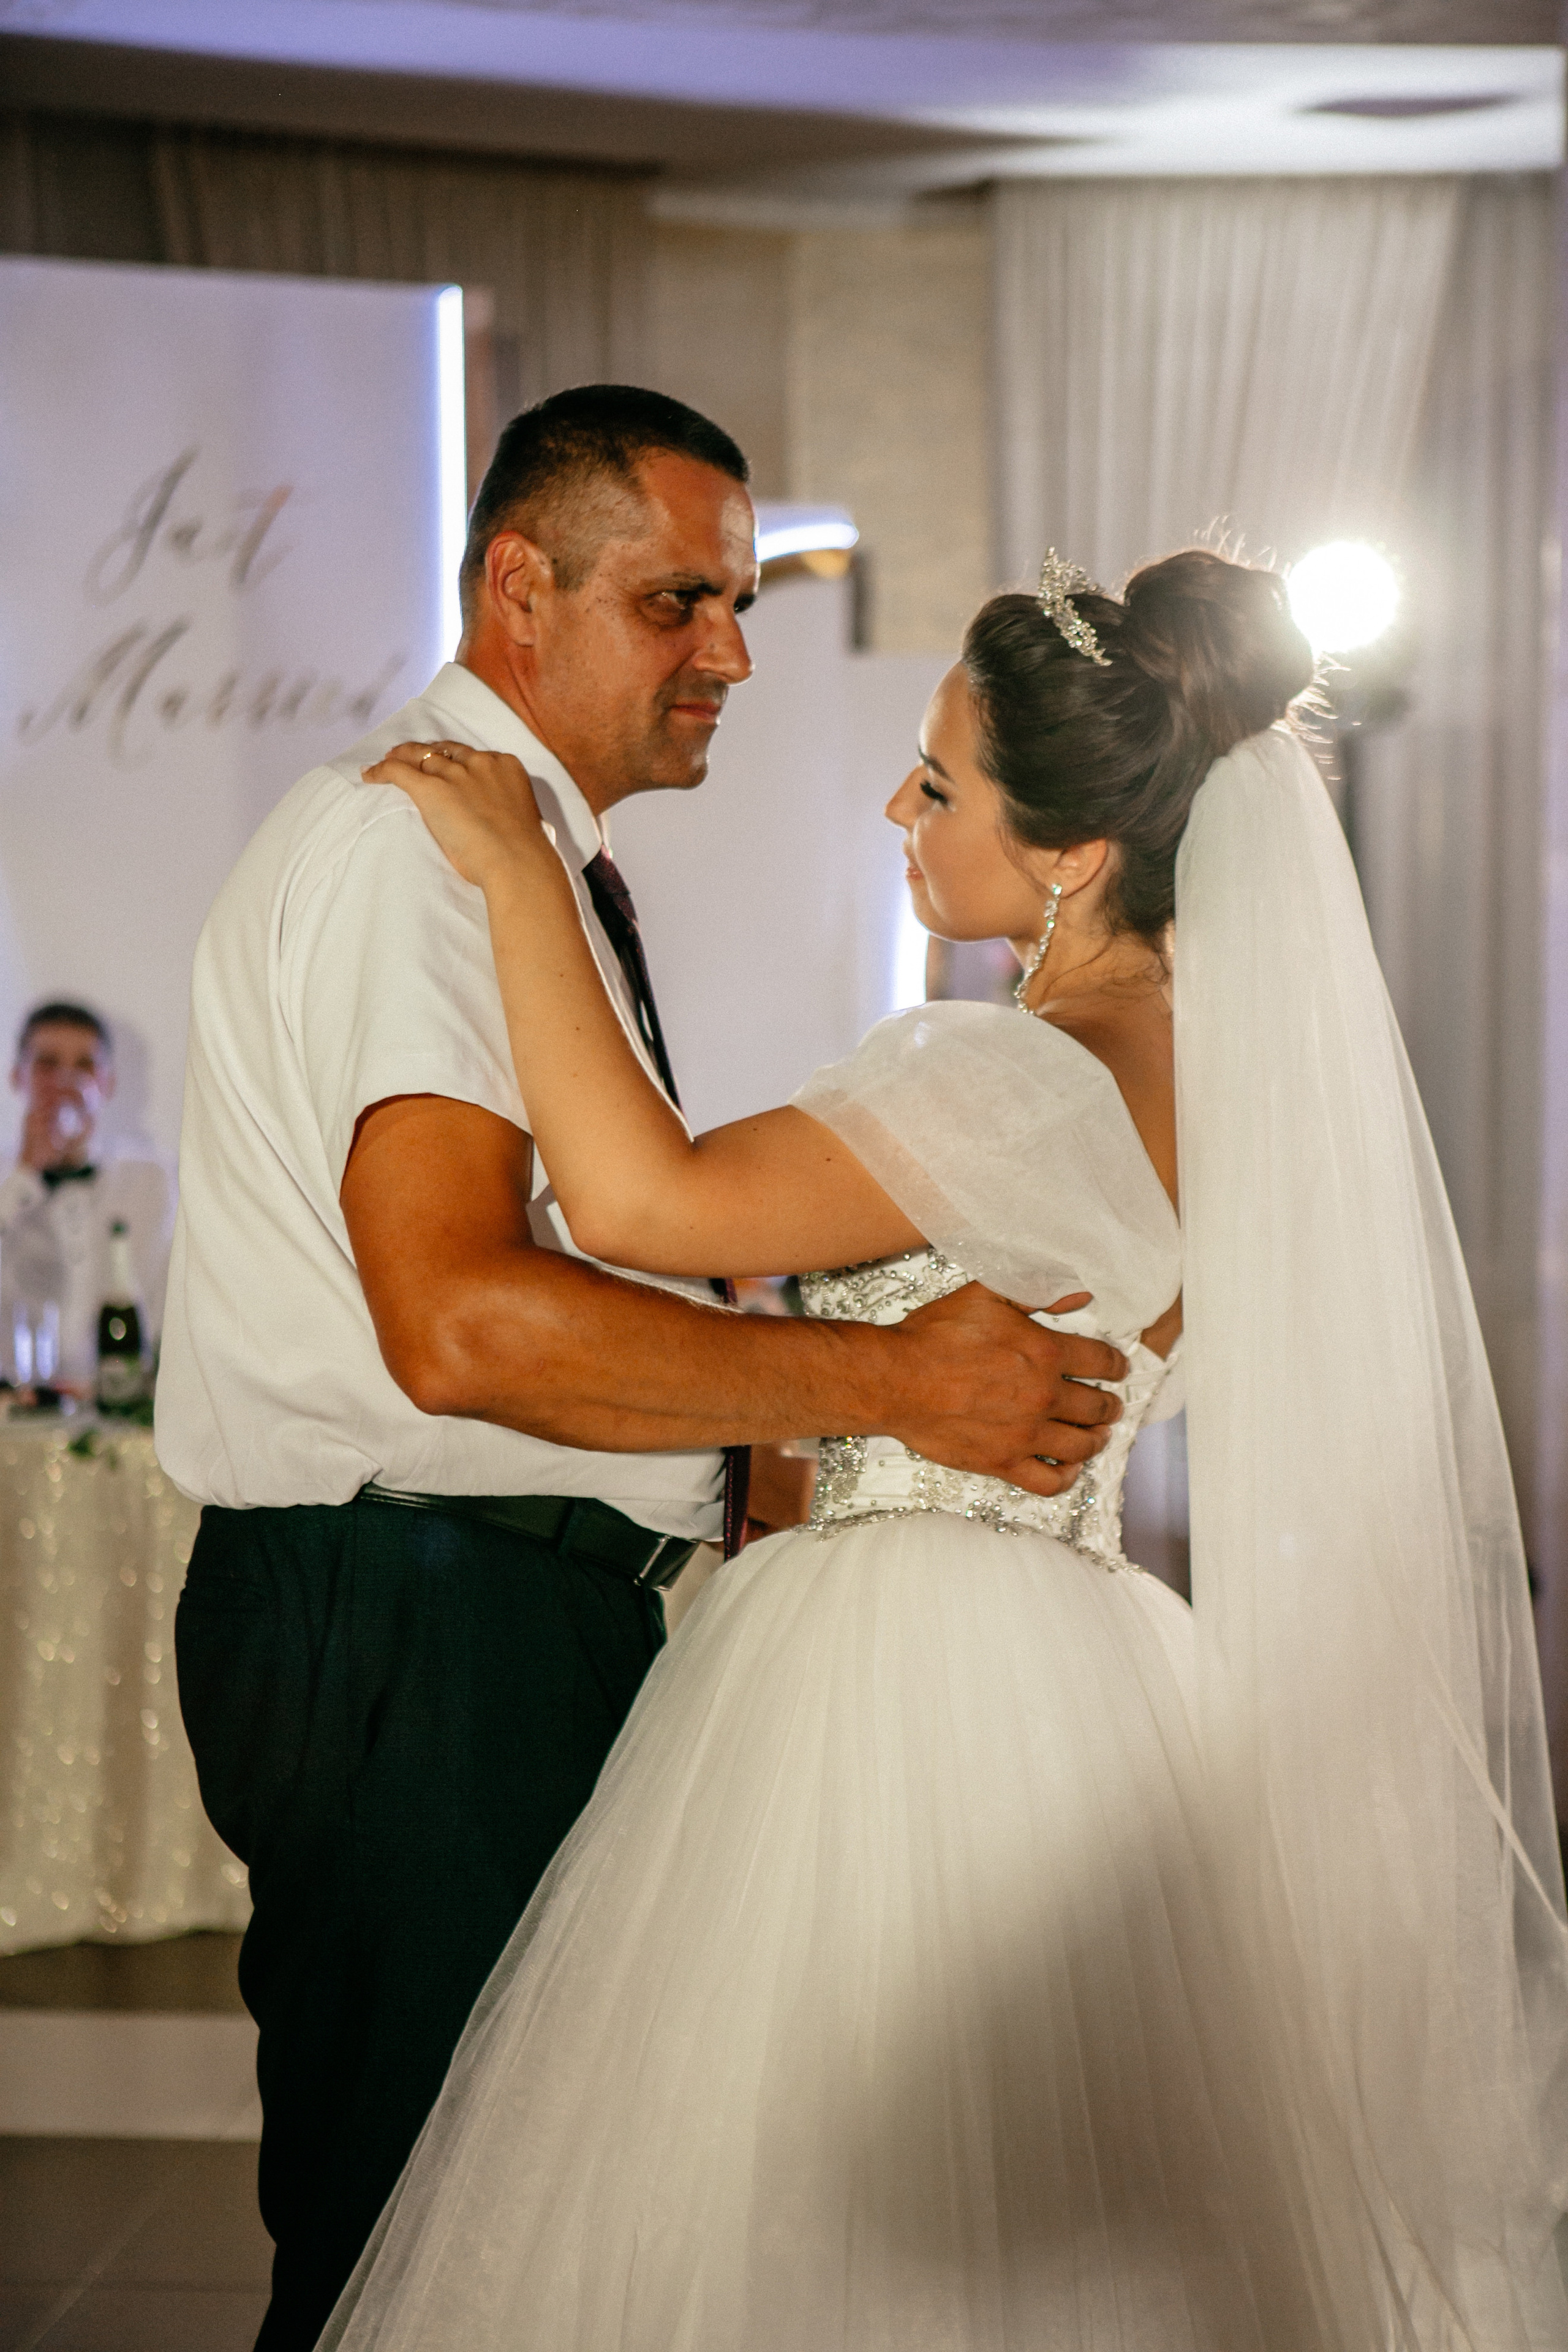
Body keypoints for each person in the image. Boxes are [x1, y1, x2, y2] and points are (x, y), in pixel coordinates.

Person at [323, 548, 1568, 2351]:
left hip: (876, 1660)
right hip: (1087, 1667)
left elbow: (630, 1195)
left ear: (1068, 849)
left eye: (935, 781)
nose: (892, 808)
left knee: (803, 2209)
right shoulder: (1221, 1081)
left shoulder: (1006, 1073)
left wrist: (518, 873)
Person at [157, 388, 1126, 2352]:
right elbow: (460, 1316)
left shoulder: (522, 860)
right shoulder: (421, 857)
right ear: (521, 584)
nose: (734, 655)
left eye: (741, 602)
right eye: (681, 599)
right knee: (405, 2260)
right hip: (430, 1617)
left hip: (499, 1610)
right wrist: (876, 1390)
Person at [0, 1000, 171, 1390]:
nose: (66, 1082)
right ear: (17, 1077)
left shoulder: (151, 1179)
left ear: (107, 1083)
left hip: (123, 1404)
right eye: (47, 1064)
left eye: (85, 1066)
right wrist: (25, 1176)